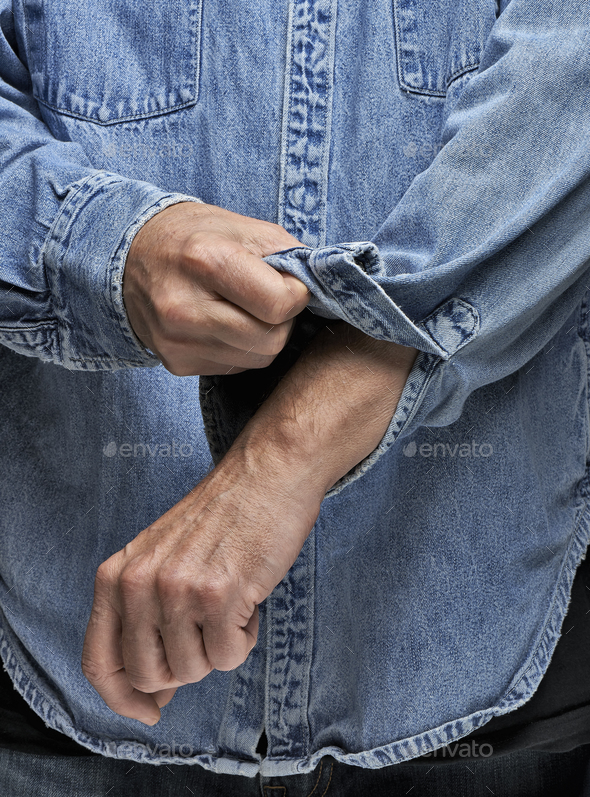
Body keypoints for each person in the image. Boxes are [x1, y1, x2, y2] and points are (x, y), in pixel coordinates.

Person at [1, 0, 590, 794]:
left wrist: (289, 448)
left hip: (489, 690)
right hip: (61, 695)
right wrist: (108, 248)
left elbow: (568, 85)